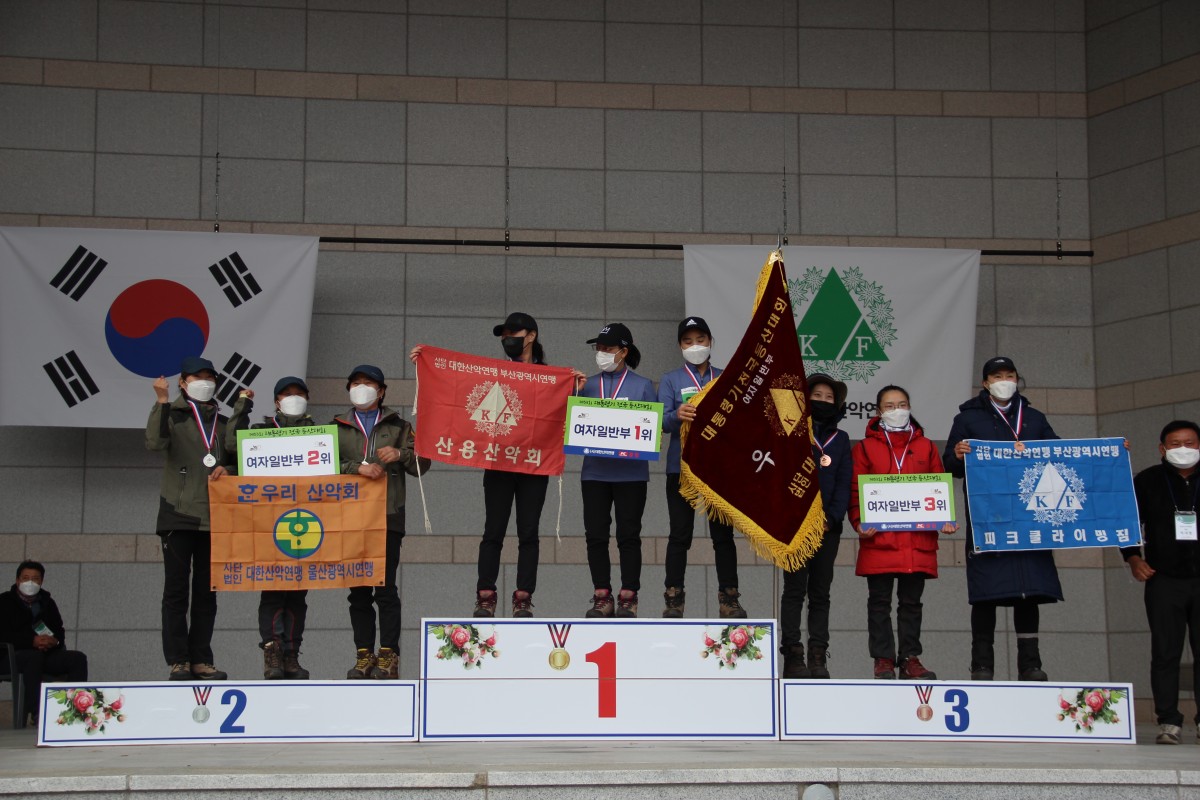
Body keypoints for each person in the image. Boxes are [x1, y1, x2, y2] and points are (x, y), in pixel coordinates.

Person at [945, 356, 1062, 682]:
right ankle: (981, 665)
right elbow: (949, 465)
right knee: (986, 593)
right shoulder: (967, 418)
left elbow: (1062, 453)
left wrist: (1111, 451)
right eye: (997, 376)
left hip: (1030, 519)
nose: (1004, 381)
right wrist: (957, 455)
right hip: (988, 519)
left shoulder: (1034, 418)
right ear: (986, 383)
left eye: (1010, 375)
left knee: (1029, 591)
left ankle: (1031, 665)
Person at [146, 355, 248, 681]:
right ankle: (178, 660)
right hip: (178, 515)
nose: (204, 382)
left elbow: (240, 459)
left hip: (215, 517)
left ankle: (201, 658)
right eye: (197, 376)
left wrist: (228, 468)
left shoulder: (223, 421)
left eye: (209, 377)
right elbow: (154, 442)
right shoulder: (172, 414)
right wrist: (161, 402)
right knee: (176, 592)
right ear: (182, 382)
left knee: (207, 593)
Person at [849, 385, 956, 680]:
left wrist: (944, 519)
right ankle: (883, 659)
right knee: (879, 603)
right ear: (878, 411)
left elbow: (938, 486)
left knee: (911, 604)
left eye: (902, 404)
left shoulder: (926, 446)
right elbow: (855, 490)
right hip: (879, 539)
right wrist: (858, 521)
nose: (897, 410)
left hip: (917, 540)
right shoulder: (865, 448)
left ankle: (910, 658)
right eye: (890, 405)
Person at [335, 364, 430, 680]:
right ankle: (364, 654)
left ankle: (389, 655)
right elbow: (321, 463)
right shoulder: (335, 427)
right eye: (356, 383)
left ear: (382, 391)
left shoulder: (400, 426)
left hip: (387, 516)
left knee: (384, 588)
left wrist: (401, 455)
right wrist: (355, 468)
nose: (361, 388)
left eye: (368, 383)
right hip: (348, 518)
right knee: (358, 591)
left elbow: (422, 465)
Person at [659, 316, 746, 619]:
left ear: (710, 342)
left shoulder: (726, 377)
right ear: (680, 346)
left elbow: (740, 418)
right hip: (681, 467)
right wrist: (676, 415)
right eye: (688, 341)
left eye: (700, 340)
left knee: (723, 535)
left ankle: (729, 598)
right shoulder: (671, 379)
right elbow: (660, 420)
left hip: (718, 469)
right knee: (679, 534)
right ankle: (674, 597)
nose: (695, 346)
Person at [1121, 420, 1200, 745]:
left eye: (1190, 443)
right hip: (1163, 578)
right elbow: (1126, 521)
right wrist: (1133, 558)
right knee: (1165, 652)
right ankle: (1169, 721)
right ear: (1162, 449)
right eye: (1175, 443)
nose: (1183, 449)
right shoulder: (1148, 480)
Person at [578, 323, 657, 617]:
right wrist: (570, 393)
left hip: (631, 474)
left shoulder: (643, 386)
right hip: (594, 473)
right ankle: (602, 595)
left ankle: (628, 596)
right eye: (598, 348)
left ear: (623, 352)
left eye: (607, 348)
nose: (601, 353)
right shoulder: (586, 385)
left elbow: (655, 426)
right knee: (596, 535)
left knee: (629, 535)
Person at [779, 373, 852, 678]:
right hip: (796, 527)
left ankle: (818, 655)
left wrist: (831, 519)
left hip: (827, 529)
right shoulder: (792, 431)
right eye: (817, 396)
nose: (823, 401)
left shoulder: (841, 440)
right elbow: (780, 476)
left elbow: (844, 484)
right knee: (794, 590)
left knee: (820, 592)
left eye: (829, 397)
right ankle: (793, 653)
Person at [243, 376, 315, 680]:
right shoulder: (259, 433)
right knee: (273, 592)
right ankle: (272, 653)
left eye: (299, 394)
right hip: (268, 522)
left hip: (307, 523)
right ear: (276, 401)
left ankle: (291, 655)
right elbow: (237, 458)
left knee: (297, 595)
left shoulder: (320, 435)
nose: (293, 398)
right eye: (287, 394)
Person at [0, 562, 88, 725]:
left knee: (77, 659)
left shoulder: (47, 603)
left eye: (35, 579)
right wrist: (31, 641)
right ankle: (38, 713)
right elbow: (3, 634)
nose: (30, 582)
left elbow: (59, 631)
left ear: (41, 581)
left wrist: (54, 640)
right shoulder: (4, 602)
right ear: (18, 580)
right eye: (26, 578)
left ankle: (74, 711)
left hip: (46, 653)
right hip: (12, 657)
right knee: (33, 657)